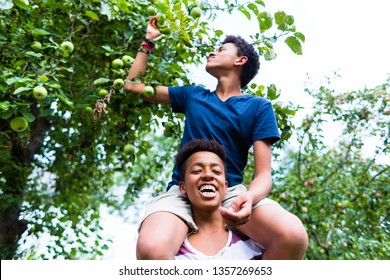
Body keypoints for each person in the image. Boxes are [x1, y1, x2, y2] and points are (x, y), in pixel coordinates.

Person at [124, 16, 308, 260]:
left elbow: (264, 175)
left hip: (230, 192)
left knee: (293, 236)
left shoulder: (259, 107)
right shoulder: (193, 96)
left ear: (240, 60)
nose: (212, 52)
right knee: (151, 249)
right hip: (182, 192)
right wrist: (149, 40)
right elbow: (133, 86)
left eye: (221, 49)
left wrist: (249, 198)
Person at [174, 139, 263, 260]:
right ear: (183, 187)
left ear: (226, 187)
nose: (208, 175)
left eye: (216, 171)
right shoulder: (171, 255)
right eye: (197, 171)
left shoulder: (256, 246)